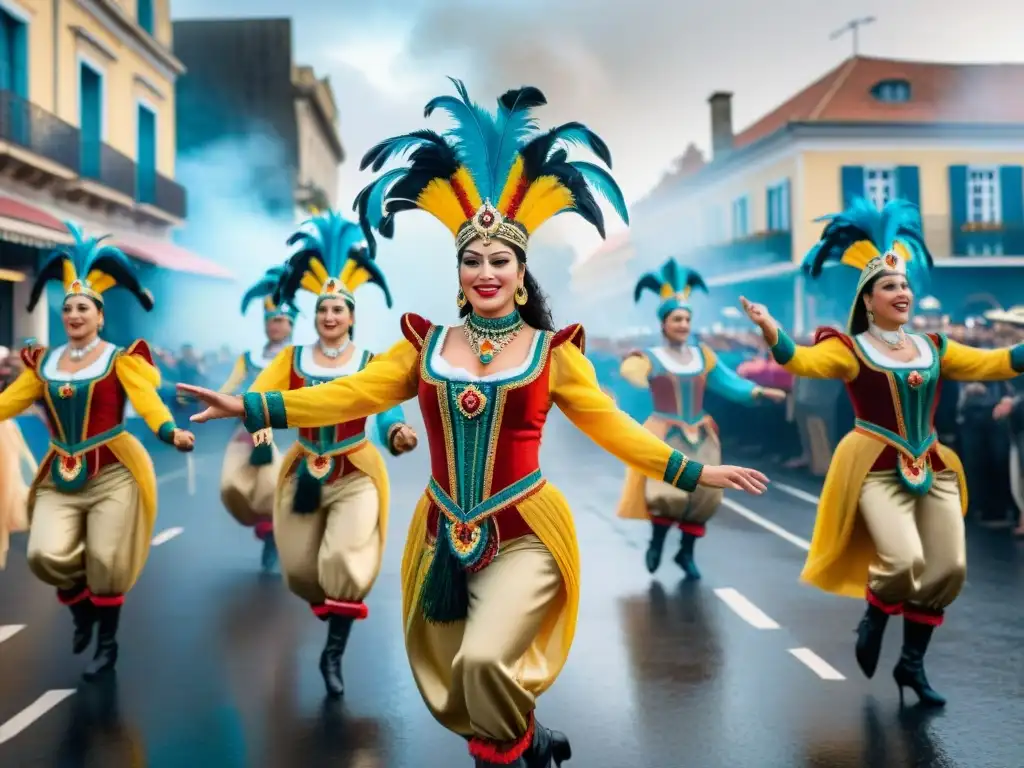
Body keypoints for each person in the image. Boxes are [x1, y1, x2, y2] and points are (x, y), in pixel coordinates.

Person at [179, 79, 768, 768]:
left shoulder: (555, 354)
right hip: (442, 536)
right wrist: (253, 405)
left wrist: (694, 471)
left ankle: (518, 744)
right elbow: (348, 396)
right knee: (463, 680)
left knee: (484, 663)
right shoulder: (421, 348)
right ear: (459, 275)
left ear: (520, 276)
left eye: (499, 260)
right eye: (473, 261)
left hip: (526, 534)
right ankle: (530, 740)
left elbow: (614, 429)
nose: (486, 271)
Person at [741, 197, 1024, 707]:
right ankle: (875, 613)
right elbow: (800, 360)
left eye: (905, 284)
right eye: (889, 286)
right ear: (867, 300)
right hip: (875, 465)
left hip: (932, 464)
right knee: (902, 561)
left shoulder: (936, 347)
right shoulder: (848, 349)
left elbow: (996, 362)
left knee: (948, 569)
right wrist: (770, 330)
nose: (902, 292)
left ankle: (911, 665)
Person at [0, 222, 194, 679]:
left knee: (107, 558)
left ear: (100, 315)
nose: (73, 314)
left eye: (83, 307)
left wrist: (170, 432)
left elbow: (147, 403)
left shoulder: (120, 359)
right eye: (67, 307)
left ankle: (106, 642)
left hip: (114, 471)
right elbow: (8, 403)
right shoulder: (42, 363)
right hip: (59, 471)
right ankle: (81, 609)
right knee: (45, 553)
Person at [246, 210, 418, 697]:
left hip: (355, 469)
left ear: (352, 316)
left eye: (338, 310)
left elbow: (386, 412)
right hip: (303, 468)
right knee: (301, 570)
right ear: (316, 315)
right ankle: (328, 609)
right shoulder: (290, 359)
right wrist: (260, 440)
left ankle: (333, 652)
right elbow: (258, 401)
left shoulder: (370, 364)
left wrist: (399, 433)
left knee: (342, 560)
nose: (329, 317)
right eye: (323, 310)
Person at [617, 259, 786, 577]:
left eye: (687, 319)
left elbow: (728, 382)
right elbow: (633, 370)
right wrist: (633, 373)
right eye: (676, 319)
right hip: (664, 432)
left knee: (704, 496)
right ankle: (657, 542)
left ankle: (686, 553)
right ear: (663, 324)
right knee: (667, 494)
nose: (683, 324)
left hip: (702, 432)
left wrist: (759, 393)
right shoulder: (650, 356)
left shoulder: (703, 356)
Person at [218, 266, 299, 572]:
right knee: (232, 485)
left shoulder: (298, 357)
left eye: (280, 320)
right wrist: (210, 400)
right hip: (249, 430)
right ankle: (271, 533)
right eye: (270, 320)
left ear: (290, 325)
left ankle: (276, 540)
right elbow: (231, 386)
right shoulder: (249, 357)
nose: (275, 326)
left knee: (273, 488)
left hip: (286, 432)